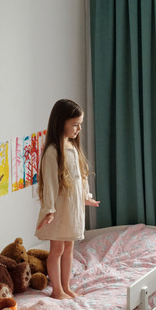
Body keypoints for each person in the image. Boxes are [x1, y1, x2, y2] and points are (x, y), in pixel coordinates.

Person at [35, 99, 99, 299]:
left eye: (80, 124)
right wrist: (49, 210)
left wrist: (86, 197)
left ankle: (66, 286)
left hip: (72, 210)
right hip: (59, 210)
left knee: (69, 247)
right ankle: (57, 290)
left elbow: (81, 177)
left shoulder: (72, 147)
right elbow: (50, 185)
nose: (79, 128)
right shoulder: (53, 152)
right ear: (61, 122)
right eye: (75, 124)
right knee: (57, 249)